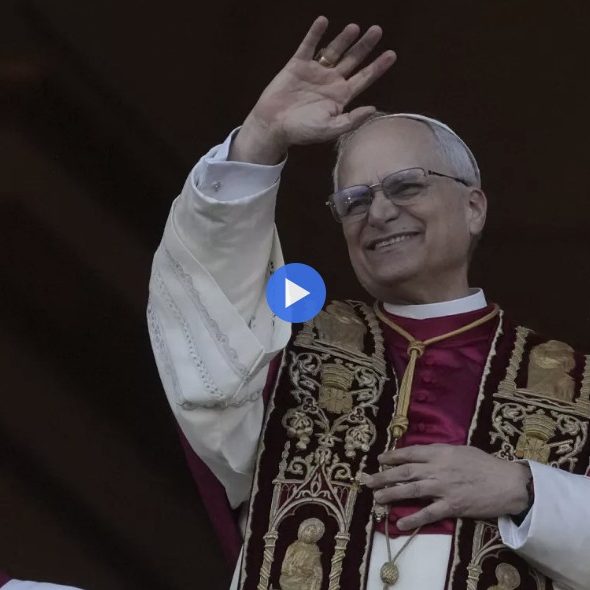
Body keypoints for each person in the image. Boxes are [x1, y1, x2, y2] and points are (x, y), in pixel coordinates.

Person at [147, 16, 590, 590]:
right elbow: (204, 315)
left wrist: (527, 490)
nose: (378, 212)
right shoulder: (286, 349)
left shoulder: (576, 387)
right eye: (354, 200)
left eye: (407, 185)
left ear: (474, 207)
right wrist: (260, 137)